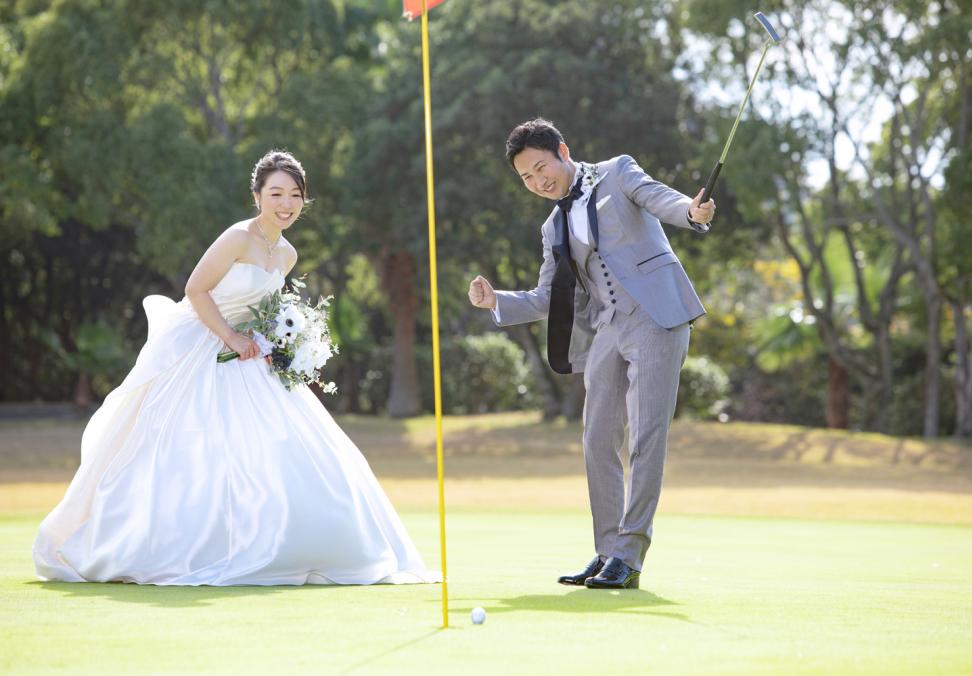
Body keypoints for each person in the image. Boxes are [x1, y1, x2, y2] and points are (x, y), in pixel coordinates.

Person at [34, 150, 440, 586]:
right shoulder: (237, 237)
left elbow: (266, 310)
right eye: (276, 194)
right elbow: (196, 289)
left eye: (295, 196)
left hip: (249, 354)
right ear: (257, 196)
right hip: (201, 345)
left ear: (305, 200)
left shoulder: (287, 255)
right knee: (185, 446)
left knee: (284, 445)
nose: (286, 204)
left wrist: (282, 342)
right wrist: (230, 337)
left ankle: (286, 542)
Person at [468, 119, 715, 590]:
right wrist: (496, 300)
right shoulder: (551, 225)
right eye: (527, 178)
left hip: (656, 316)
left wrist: (692, 212)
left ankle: (630, 553)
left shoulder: (617, 173)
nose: (539, 182)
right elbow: (547, 296)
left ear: (563, 151)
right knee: (597, 438)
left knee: (645, 436)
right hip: (607, 327)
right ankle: (606, 552)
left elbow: (664, 199)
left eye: (542, 167)